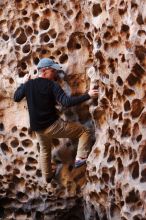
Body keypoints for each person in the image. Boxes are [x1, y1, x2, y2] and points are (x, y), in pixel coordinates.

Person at [14, 58, 98, 183]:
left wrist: (23, 83)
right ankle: (80, 157)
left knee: (45, 151)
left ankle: (47, 176)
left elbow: (16, 97)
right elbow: (66, 102)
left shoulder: (29, 85)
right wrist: (88, 95)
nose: (55, 74)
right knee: (84, 131)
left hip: (37, 128)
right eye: (53, 71)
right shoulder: (52, 85)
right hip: (52, 126)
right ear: (45, 71)